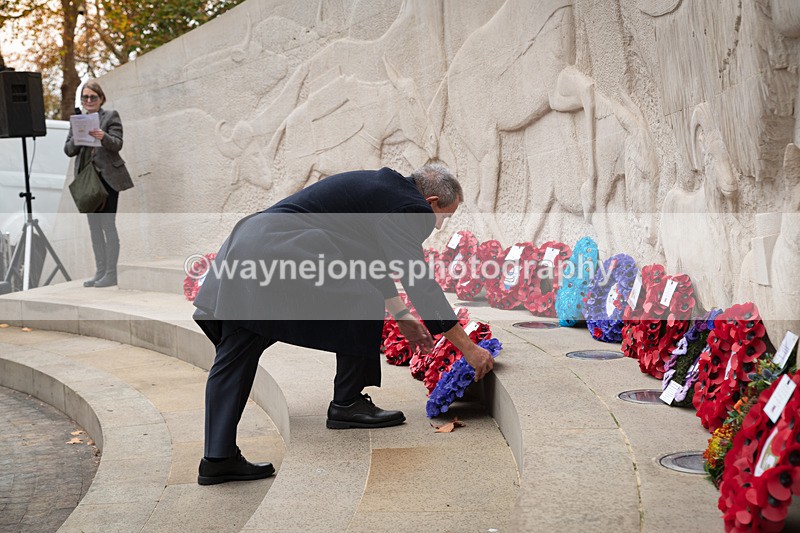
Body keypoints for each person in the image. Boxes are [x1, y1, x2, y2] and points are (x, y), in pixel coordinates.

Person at [192, 163, 494, 485]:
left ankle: (218, 457)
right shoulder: (409, 206)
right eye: (444, 217)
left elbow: (369, 259)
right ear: (431, 201)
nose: (438, 226)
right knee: (361, 301)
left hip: (249, 243)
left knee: (239, 347)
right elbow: (418, 280)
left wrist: (401, 314)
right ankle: (347, 403)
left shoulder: (382, 192)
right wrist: (468, 348)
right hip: (281, 250)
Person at [64, 80, 133, 288]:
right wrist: (78, 136)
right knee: (94, 228)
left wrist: (103, 136)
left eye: (93, 97)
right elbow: (68, 150)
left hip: (108, 179)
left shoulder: (110, 116)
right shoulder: (77, 120)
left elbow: (118, 144)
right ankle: (100, 271)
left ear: (101, 98)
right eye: (85, 97)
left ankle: (111, 273)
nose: (89, 100)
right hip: (87, 181)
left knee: (107, 226)